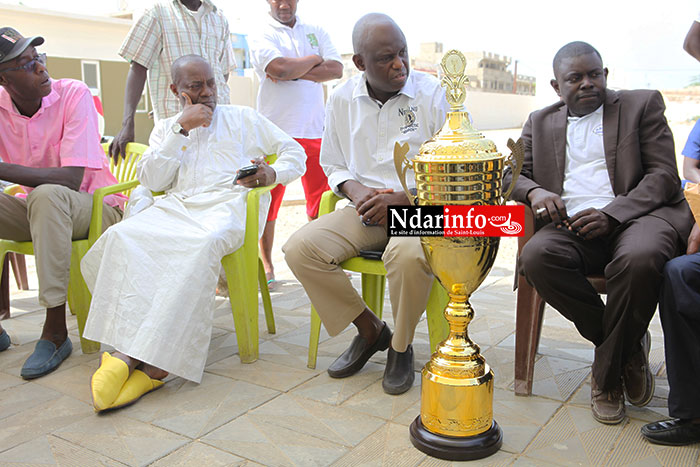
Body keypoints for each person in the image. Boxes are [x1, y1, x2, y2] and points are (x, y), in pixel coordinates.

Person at [82, 55, 305, 412]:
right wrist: (180, 130)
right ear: (176, 91)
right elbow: (153, 181)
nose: (207, 93)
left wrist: (270, 175)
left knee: (197, 247)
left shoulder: (243, 118)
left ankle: (137, 361)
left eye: (211, 83)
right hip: (178, 207)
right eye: (195, 86)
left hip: (226, 210)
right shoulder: (167, 128)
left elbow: (294, 153)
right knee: (122, 237)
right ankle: (139, 359)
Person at [509, 41, 693, 424]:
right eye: (575, 78)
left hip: (639, 217)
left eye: (595, 74)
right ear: (557, 87)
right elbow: (512, 175)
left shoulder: (641, 105)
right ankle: (625, 348)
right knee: (537, 258)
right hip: (572, 225)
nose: (588, 83)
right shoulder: (539, 122)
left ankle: (606, 376)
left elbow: (663, 176)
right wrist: (538, 192)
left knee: (640, 259)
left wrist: (612, 214)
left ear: (605, 75)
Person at [283, 13, 449, 395]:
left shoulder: (433, 95)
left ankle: (401, 346)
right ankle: (370, 329)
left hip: (421, 211)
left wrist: (402, 200)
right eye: (385, 57)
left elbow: (455, 166)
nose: (399, 64)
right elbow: (333, 164)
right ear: (359, 63)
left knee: (407, 257)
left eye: (403, 53)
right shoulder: (342, 99)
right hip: (366, 210)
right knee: (300, 250)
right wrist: (359, 194)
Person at [0, 27, 125, 377]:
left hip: (96, 207)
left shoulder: (73, 94)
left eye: (38, 58)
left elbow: (70, 179)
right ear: (3, 80)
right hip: (40, 211)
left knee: (50, 193)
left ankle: (56, 330)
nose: (41, 68)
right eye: (26, 64)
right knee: (43, 198)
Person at [251, 0, 343, 290]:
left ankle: (323, 259)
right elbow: (276, 67)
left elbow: (337, 69)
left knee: (320, 201)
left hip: (314, 130)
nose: (283, 3)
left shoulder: (315, 30)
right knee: (268, 202)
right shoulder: (262, 32)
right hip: (273, 132)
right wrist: (314, 60)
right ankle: (267, 266)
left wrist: (291, 71)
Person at [108, 0, 235, 161]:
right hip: (177, 127)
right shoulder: (156, 13)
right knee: (177, 180)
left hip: (217, 124)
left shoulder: (219, 18)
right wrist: (127, 124)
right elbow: (138, 68)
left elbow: (222, 73)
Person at [640, 223, 700, 445]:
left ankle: (618, 354)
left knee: (640, 258)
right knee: (679, 273)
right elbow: (521, 190)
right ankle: (693, 414)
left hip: (623, 227)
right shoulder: (526, 189)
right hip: (557, 236)